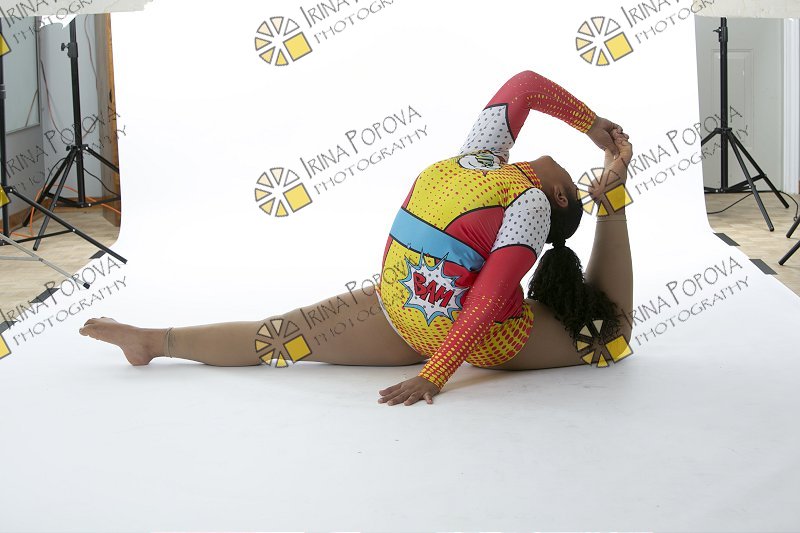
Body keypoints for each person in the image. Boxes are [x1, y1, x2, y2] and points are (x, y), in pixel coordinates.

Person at [79, 70, 634, 407]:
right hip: (409, 315)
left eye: (575, 181)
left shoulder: (530, 203)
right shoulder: (483, 155)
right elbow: (526, 85)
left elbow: (490, 297)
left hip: (470, 332)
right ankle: (153, 341)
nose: (571, 169)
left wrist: (435, 374)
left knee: (608, 338)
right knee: (278, 336)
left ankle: (614, 203)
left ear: (561, 198)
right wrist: (593, 125)